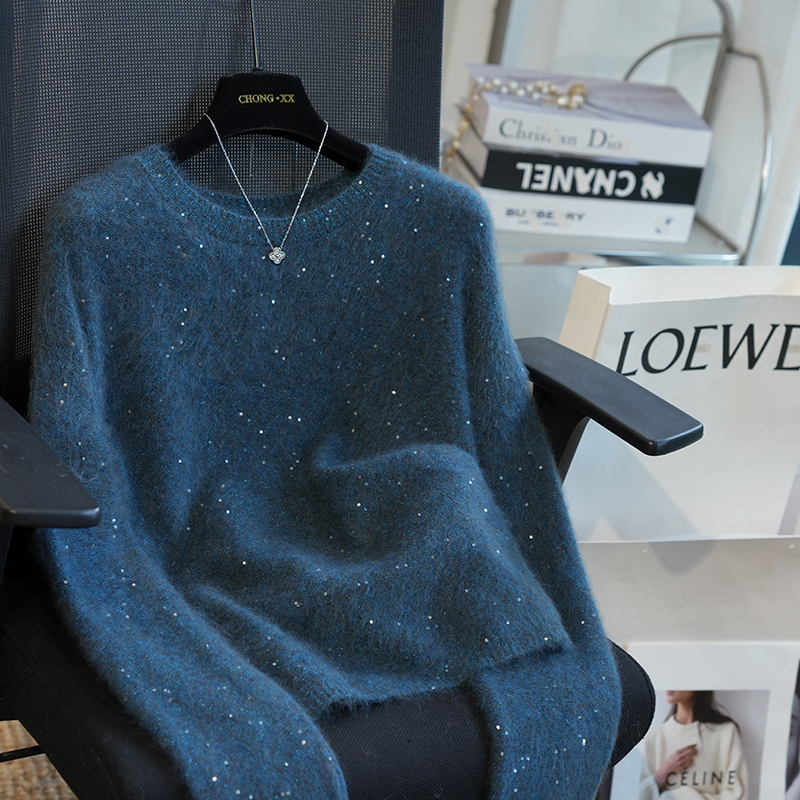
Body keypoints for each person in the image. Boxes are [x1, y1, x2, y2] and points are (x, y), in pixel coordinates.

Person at [639, 691, 747, 799]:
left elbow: (737, 795)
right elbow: (637, 796)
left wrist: (679, 797)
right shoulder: (655, 738)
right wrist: (661, 775)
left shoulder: (725, 733)